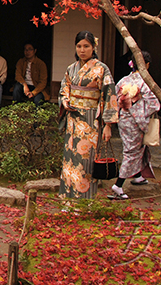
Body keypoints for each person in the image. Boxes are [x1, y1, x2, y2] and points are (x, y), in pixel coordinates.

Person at [57, 31, 118, 199]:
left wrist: (107, 125)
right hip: (72, 119)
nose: (82, 50)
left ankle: (85, 202)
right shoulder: (72, 68)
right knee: (70, 159)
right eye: (79, 46)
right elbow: (64, 89)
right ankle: (68, 199)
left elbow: (109, 95)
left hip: (91, 119)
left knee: (86, 160)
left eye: (86, 46)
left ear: (93, 47)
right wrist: (65, 101)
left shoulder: (101, 69)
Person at [108, 51, 161, 200]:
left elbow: (114, 98)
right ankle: (118, 185)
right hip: (135, 121)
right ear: (147, 65)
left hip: (124, 120)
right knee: (132, 152)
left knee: (135, 148)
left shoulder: (124, 80)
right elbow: (154, 104)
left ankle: (138, 176)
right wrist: (140, 110)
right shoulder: (145, 82)